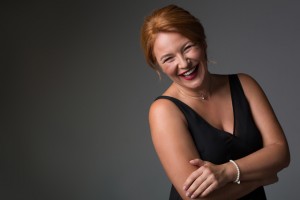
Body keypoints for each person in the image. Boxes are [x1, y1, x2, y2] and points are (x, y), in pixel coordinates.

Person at [140, 4, 290, 200]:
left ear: (203, 42)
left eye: (188, 47)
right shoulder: (163, 110)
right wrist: (260, 178)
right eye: (168, 59)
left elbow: (281, 152)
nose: (184, 64)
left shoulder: (245, 85)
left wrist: (227, 171)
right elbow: (197, 198)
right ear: (158, 65)